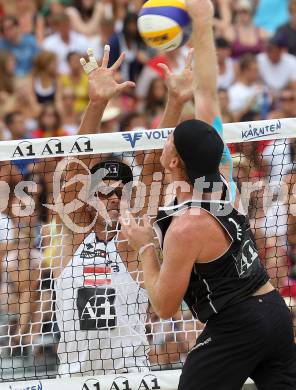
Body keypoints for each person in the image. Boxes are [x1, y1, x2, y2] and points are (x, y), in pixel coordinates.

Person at [120, 0, 296, 389]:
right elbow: (208, 95)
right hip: (273, 312)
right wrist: (202, 22)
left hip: (238, 324)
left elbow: (165, 306)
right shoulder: (223, 177)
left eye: (170, 142)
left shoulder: (187, 227)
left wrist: (145, 247)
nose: (166, 141)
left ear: (174, 162)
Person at [51, 42, 194, 376]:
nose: (113, 198)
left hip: (131, 376)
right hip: (74, 380)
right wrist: (97, 103)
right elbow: (73, 168)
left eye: (120, 192)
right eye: (104, 192)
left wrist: (175, 102)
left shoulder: (132, 242)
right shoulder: (73, 236)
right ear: (88, 197)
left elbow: (154, 169)